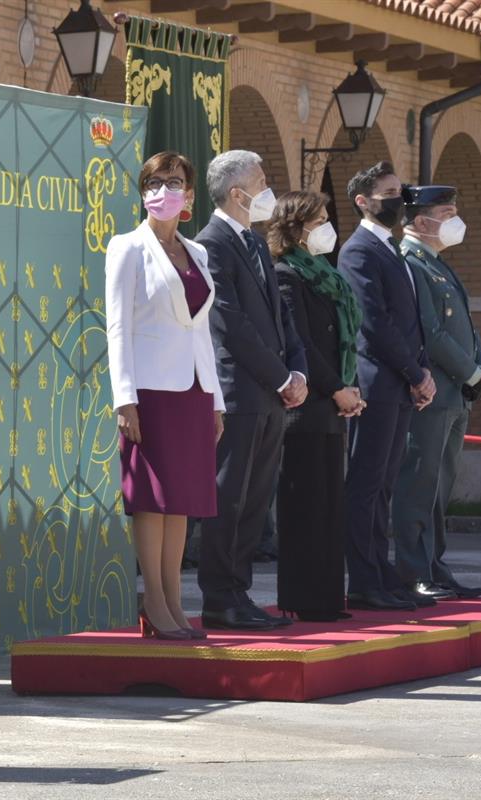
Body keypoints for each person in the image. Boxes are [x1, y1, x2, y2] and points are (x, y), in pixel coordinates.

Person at [106, 151, 224, 640]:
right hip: (150, 391)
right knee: (152, 501)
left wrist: (215, 397)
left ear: (189, 197)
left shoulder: (198, 253)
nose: (161, 191)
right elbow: (118, 327)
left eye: (173, 182)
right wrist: (123, 398)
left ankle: (174, 601)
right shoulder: (127, 247)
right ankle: (153, 602)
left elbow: (203, 332)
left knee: (180, 501)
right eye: (152, 183)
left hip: (193, 389)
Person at [196, 150, 307, 631]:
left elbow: (282, 318)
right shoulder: (210, 244)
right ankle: (220, 597)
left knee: (256, 499)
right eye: (262, 182)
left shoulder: (256, 243)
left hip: (270, 391)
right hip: (240, 391)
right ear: (237, 193)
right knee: (229, 498)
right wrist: (280, 377)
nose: (269, 190)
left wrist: (298, 370)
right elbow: (230, 324)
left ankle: (239, 592)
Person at [337, 161, 435, 612]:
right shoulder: (358, 251)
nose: (400, 199)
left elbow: (408, 321)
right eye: (390, 192)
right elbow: (373, 324)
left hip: (398, 383)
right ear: (363, 200)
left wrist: (420, 372)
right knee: (366, 484)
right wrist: (414, 373)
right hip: (376, 381)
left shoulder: (390, 249)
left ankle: (381, 571)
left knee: (385, 486)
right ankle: (363, 579)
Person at [269, 191, 365, 621]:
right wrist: (335, 387)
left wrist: (349, 387)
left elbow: (343, 338)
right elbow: (303, 343)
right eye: (319, 219)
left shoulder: (325, 274)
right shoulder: (286, 273)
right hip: (306, 407)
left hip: (332, 405)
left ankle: (328, 598)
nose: (328, 226)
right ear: (296, 227)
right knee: (304, 505)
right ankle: (302, 599)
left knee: (329, 505)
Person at [391, 185, 481, 600]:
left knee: (439, 485)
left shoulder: (438, 264)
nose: (455, 220)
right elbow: (429, 331)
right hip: (431, 394)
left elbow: (465, 324)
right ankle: (414, 571)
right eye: (447, 213)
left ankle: (435, 564)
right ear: (420, 221)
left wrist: (480, 369)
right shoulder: (411, 264)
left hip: (455, 395)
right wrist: (469, 372)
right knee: (418, 483)